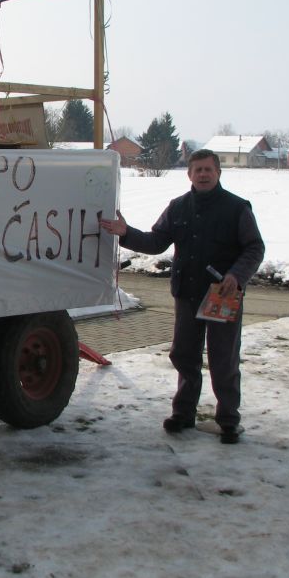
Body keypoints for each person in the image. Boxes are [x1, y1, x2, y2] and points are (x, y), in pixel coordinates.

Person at [100, 149, 265, 444]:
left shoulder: (237, 208)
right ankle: (183, 413)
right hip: (187, 294)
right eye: (197, 170)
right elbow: (156, 241)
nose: (203, 174)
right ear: (189, 175)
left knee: (223, 359)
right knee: (184, 356)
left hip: (222, 295)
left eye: (208, 170)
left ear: (218, 173)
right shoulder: (178, 207)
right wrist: (126, 233)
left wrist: (236, 275)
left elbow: (254, 248)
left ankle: (228, 420)